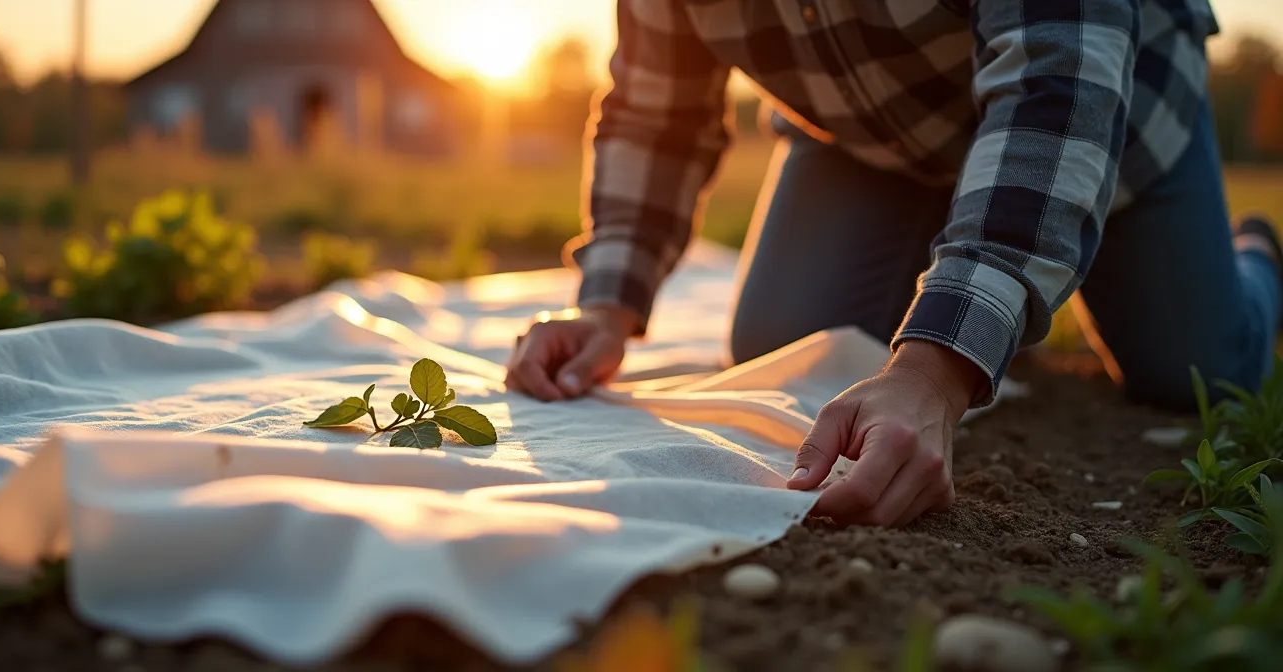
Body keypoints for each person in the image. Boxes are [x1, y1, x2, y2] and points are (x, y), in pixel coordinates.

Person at [505, 0, 1281, 528]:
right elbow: (656, 110)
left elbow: (1059, 79)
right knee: (786, 341)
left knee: (1195, 372)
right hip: (873, 138)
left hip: (1114, 106)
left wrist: (934, 373)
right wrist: (606, 305)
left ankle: (1257, 258)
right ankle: (972, 256)